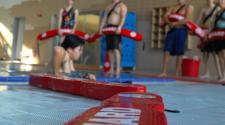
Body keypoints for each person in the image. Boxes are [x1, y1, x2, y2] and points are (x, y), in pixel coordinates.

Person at [159, 0, 194, 77]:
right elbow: (165, 16)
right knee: (166, 49)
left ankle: (176, 73)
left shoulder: (189, 7)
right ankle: (164, 71)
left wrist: (175, 23)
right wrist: (169, 23)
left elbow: (186, 19)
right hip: (172, 30)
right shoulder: (172, 7)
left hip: (181, 31)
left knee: (179, 51)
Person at [99, 0, 128, 78]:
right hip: (108, 29)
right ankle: (111, 68)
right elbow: (104, 18)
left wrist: (120, 27)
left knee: (116, 49)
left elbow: (123, 18)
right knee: (110, 50)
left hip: (116, 29)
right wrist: (101, 28)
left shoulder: (122, 6)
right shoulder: (108, 6)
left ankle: (118, 69)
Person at [196, 0, 220, 79]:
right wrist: (194, 28)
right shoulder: (204, 9)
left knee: (215, 53)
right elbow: (198, 21)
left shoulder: (217, 9)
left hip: (212, 32)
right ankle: (206, 72)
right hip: (204, 32)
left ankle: (219, 73)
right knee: (204, 53)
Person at [205, 0, 225, 81]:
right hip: (217, 34)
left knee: (224, 55)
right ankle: (221, 75)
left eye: (223, 1)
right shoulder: (217, 12)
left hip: (224, 34)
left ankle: (224, 75)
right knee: (219, 55)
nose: (221, 2)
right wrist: (207, 33)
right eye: (220, 1)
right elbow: (213, 24)